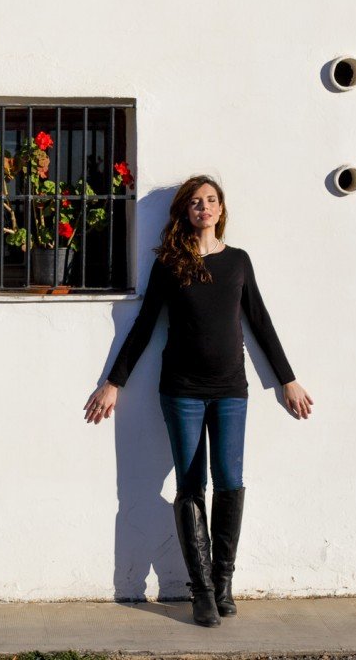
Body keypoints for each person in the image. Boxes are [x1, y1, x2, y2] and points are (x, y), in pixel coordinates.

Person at [83, 174, 313, 627]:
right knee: (191, 485)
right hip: (182, 391)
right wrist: (114, 382)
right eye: (195, 202)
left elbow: (260, 323)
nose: (203, 208)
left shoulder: (239, 262)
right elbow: (144, 326)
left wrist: (287, 380)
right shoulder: (170, 263)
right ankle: (202, 590)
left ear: (221, 210)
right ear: (185, 213)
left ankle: (224, 581)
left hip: (230, 390)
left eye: (210, 200)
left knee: (229, 481)